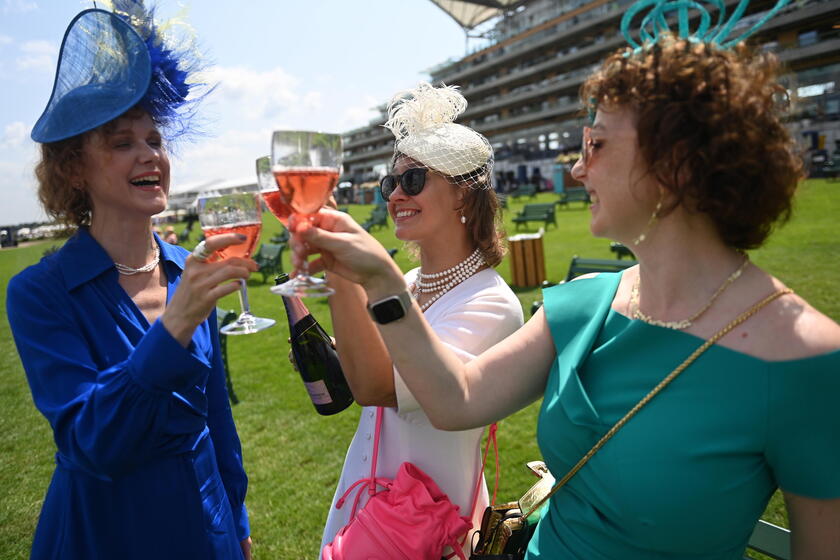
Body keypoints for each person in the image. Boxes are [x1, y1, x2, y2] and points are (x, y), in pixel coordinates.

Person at [294, 2, 840, 558]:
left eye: (595, 145)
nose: (577, 169)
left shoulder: (808, 359)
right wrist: (381, 283)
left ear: (675, 164)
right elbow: (453, 400)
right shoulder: (583, 304)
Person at [6, 4, 253, 559]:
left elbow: (215, 416)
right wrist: (175, 325)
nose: (151, 154)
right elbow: (91, 442)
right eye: (122, 143)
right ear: (73, 169)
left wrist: (236, 519)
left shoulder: (187, 267)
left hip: (205, 527)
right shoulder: (38, 295)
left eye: (155, 139)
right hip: (108, 532)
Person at [319, 83, 523, 557]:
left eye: (413, 181)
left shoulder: (491, 306)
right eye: (392, 183)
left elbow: (376, 386)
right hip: (363, 501)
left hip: (428, 523)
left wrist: (343, 271)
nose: (395, 196)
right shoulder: (409, 282)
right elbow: (362, 374)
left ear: (464, 196)